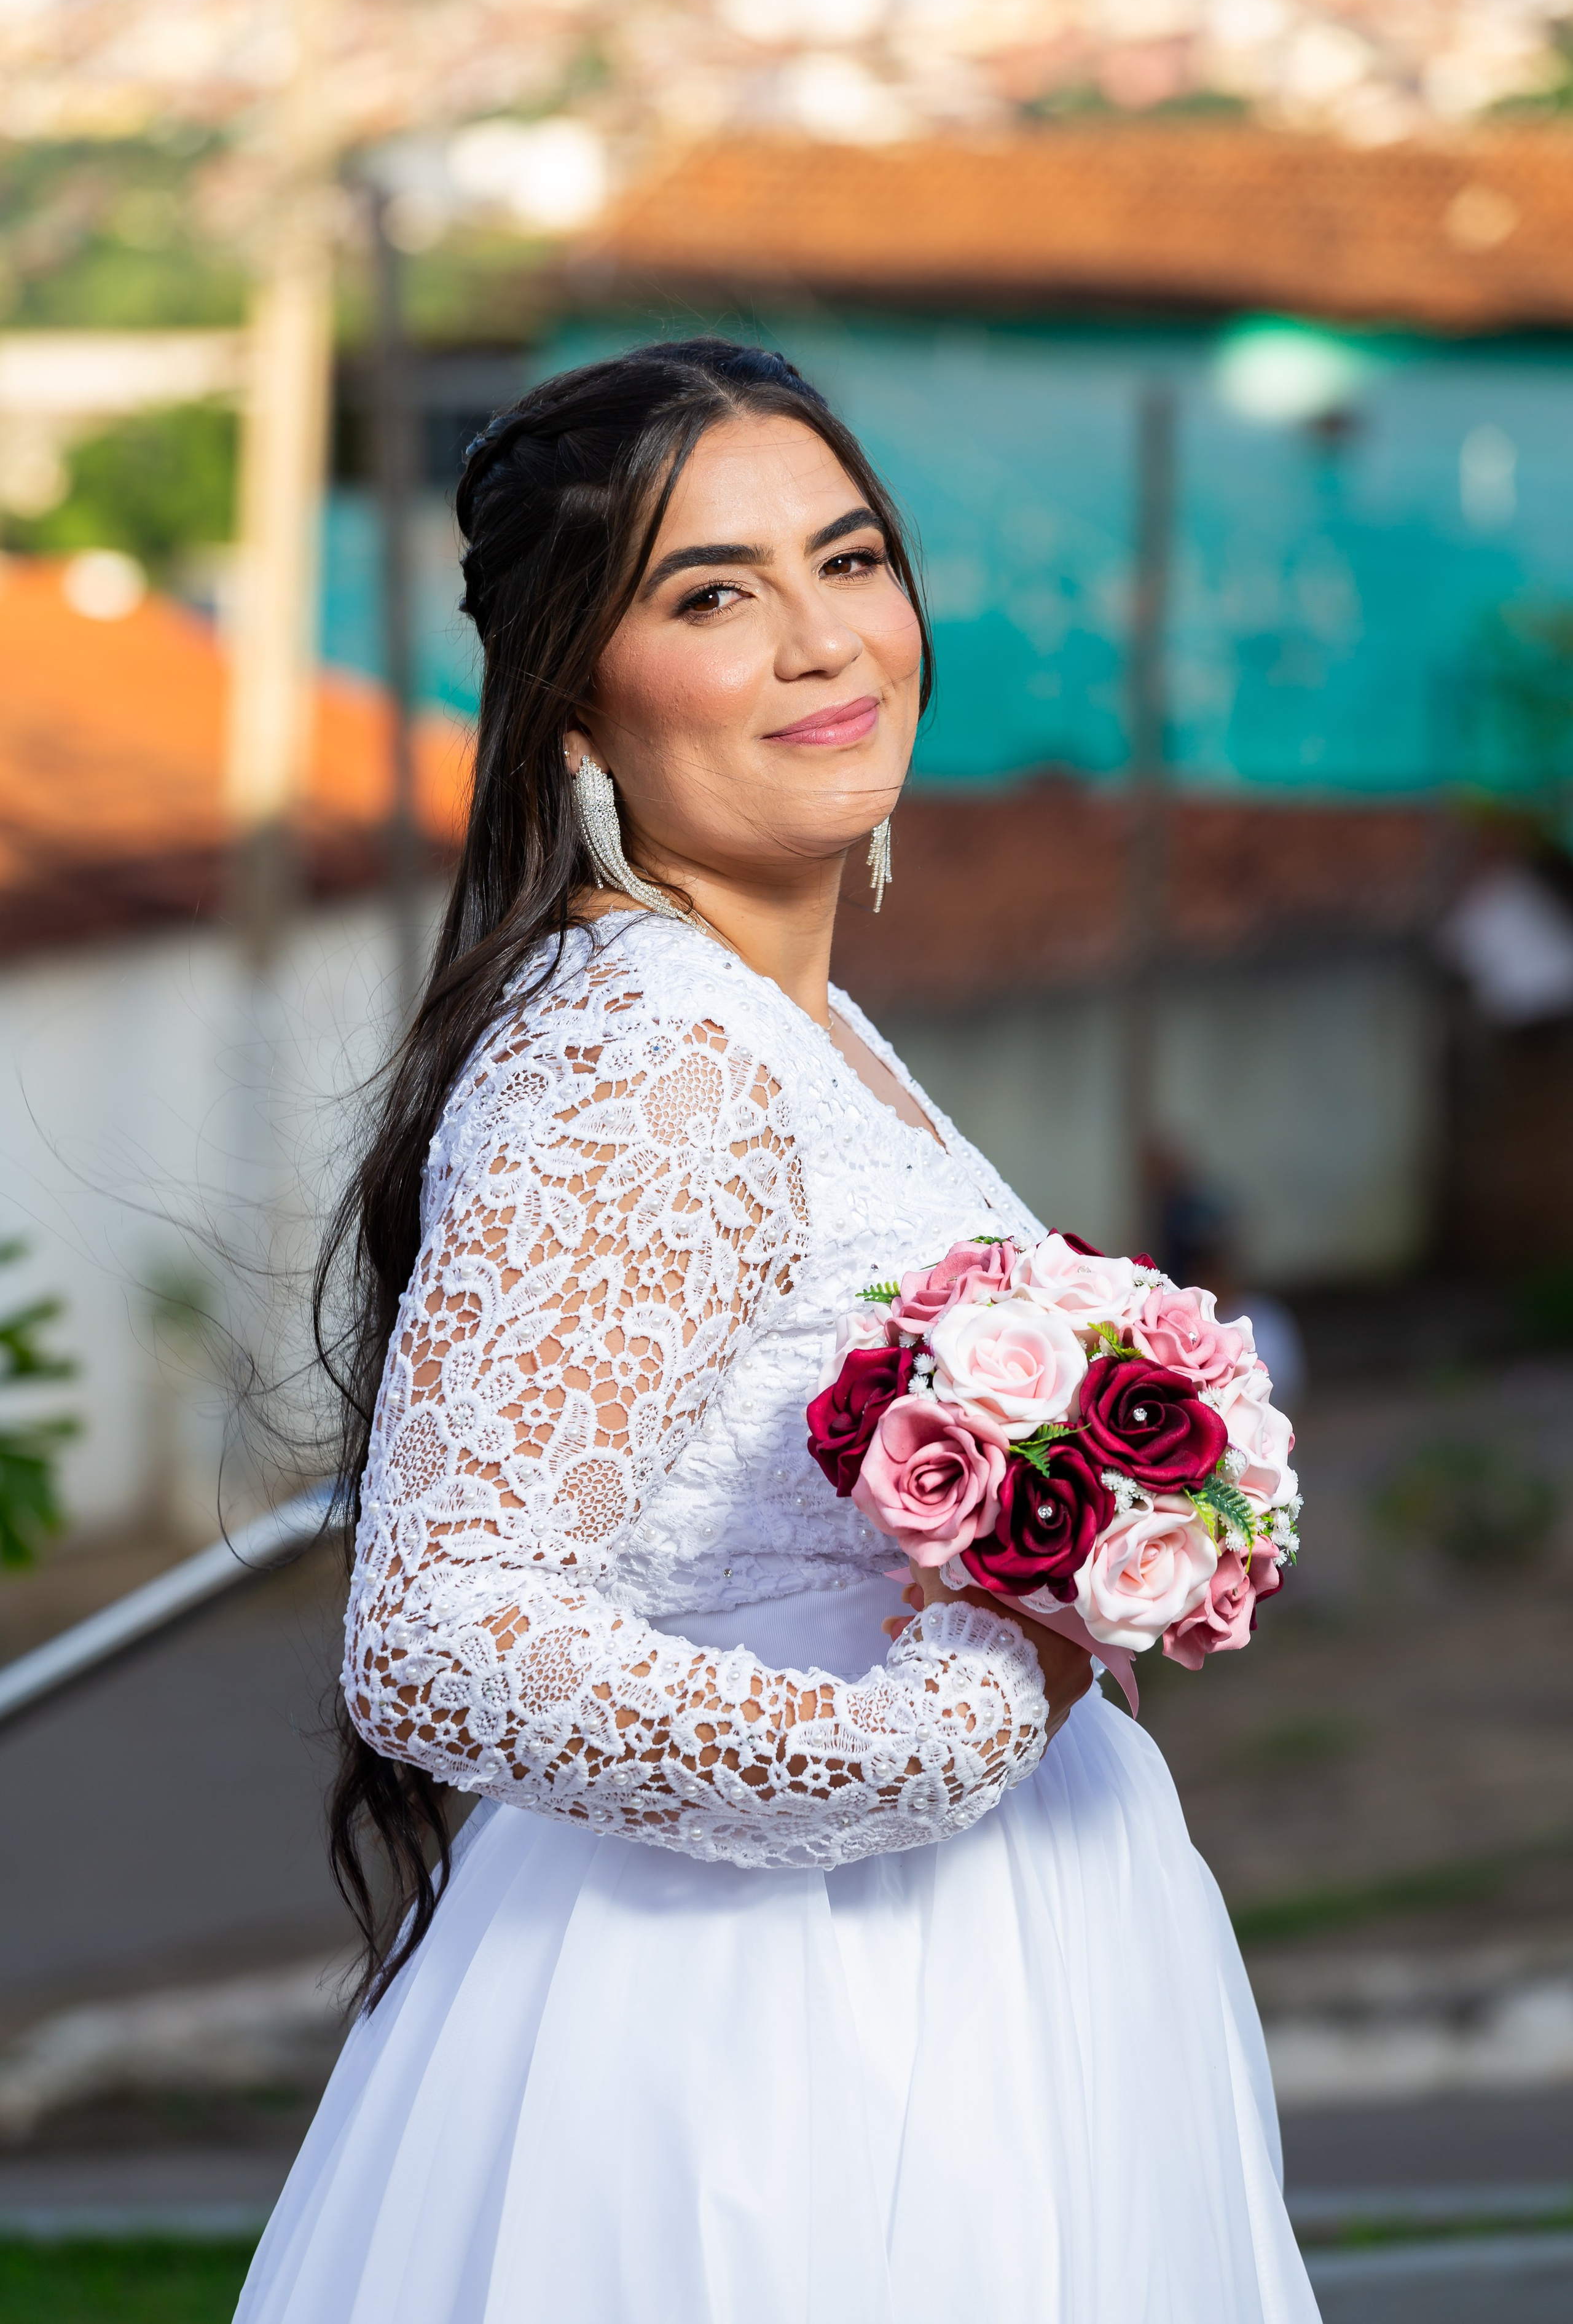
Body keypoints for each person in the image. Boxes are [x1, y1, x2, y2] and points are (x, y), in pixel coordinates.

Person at [236, 340, 1319, 2323]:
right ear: (574, 693)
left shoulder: (789, 1017)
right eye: (713, 594)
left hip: (999, 1975)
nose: (825, 641)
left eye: (851, 559)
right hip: (779, 2036)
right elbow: (438, 1627)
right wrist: (931, 1735)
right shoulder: (650, 1053)